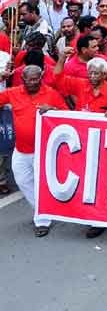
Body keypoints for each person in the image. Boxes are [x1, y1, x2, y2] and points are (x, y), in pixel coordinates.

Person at [0, 65, 67, 236]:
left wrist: (53, 110)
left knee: (41, 184)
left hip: (43, 151)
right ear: (22, 79)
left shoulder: (51, 93)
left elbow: (67, 115)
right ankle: (42, 210)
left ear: (41, 77)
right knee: (23, 181)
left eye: (35, 79)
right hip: (21, 150)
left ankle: (42, 219)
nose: (32, 82)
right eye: (28, 79)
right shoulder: (13, 92)